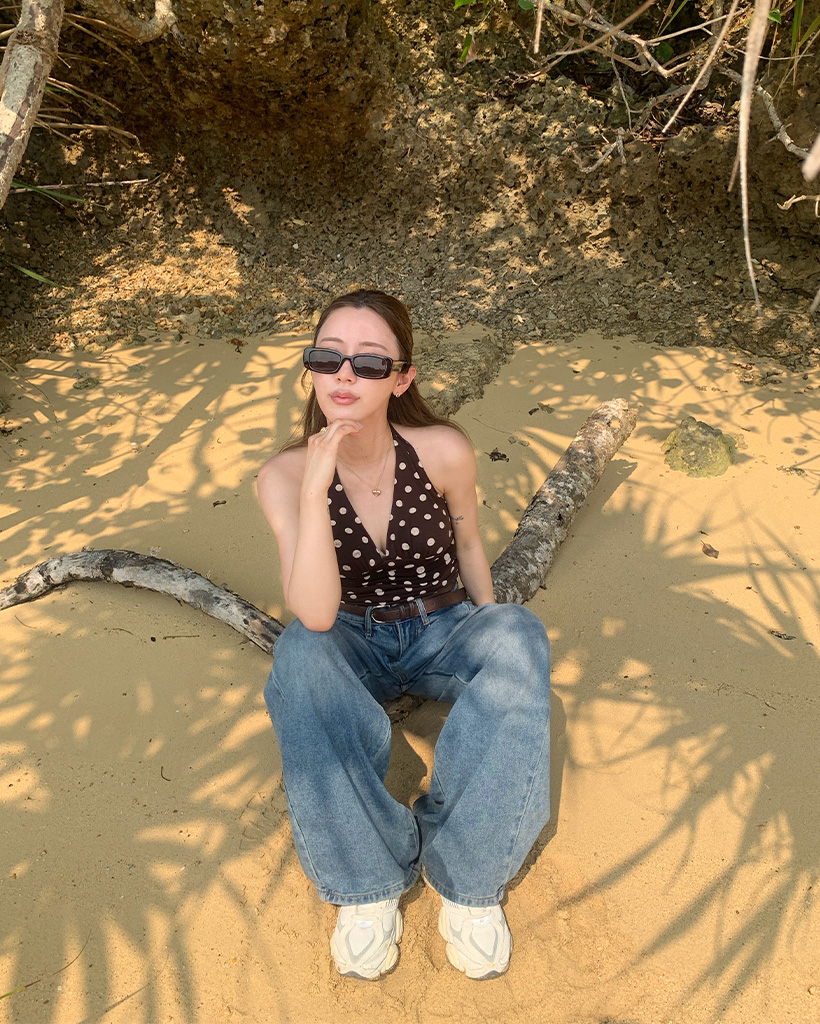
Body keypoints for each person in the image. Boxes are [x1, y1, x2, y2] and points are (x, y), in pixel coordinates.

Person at [257, 289, 551, 981]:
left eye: (369, 362)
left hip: (442, 626)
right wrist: (314, 489)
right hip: (350, 636)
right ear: (311, 369)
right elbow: (316, 614)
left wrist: (489, 625)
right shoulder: (283, 475)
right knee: (299, 651)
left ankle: (469, 877)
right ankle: (366, 882)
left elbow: (470, 546)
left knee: (518, 631)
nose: (345, 375)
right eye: (328, 357)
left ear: (401, 378)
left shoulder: (442, 450)